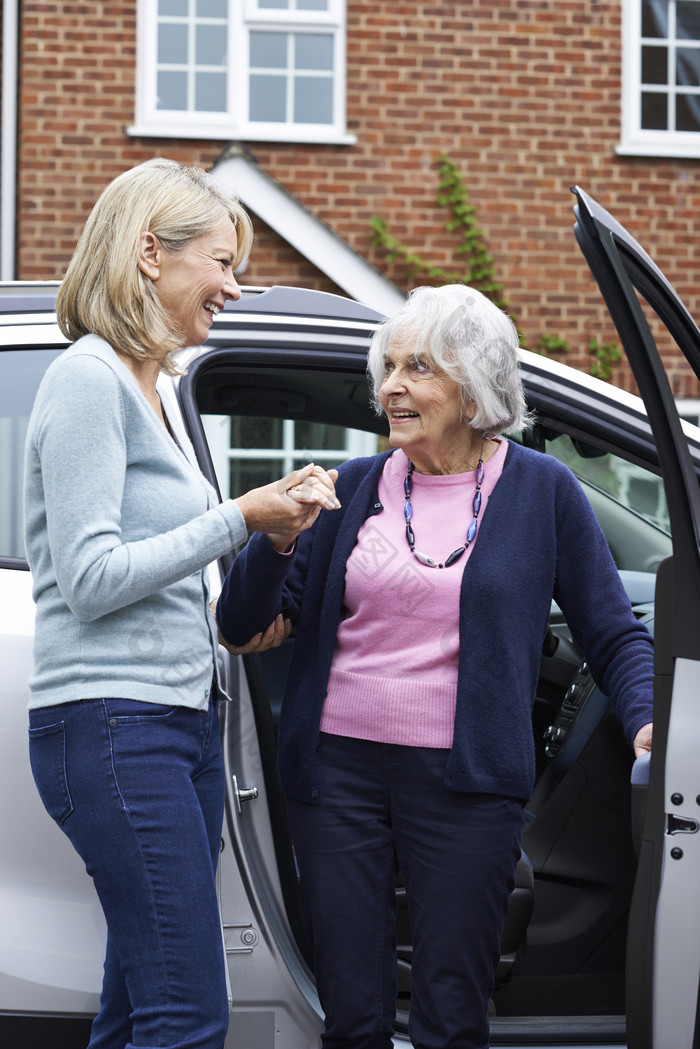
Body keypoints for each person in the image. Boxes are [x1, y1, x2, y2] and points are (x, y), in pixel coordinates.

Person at [215, 283, 654, 1049]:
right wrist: (277, 535)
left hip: (468, 779)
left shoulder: (543, 491)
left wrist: (652, 721)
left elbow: (611, 628)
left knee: (453, 1010)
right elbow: (244, 623)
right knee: (352, 1012)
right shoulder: (348, 489)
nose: (390, 386)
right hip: (336, 774)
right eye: (388, 366)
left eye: (417, 366)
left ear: (474, 381)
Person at [24, 158, 339, 1049]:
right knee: (186, 1016)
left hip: (177, 725)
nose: (235, 287)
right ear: (151, 254)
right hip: (119, 729)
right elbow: (90, 580)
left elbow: (163, 573)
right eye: (224, 262)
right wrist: (240, 515)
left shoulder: (151, 388)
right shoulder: (89, 380)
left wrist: (257, 570)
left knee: (135, 1010)